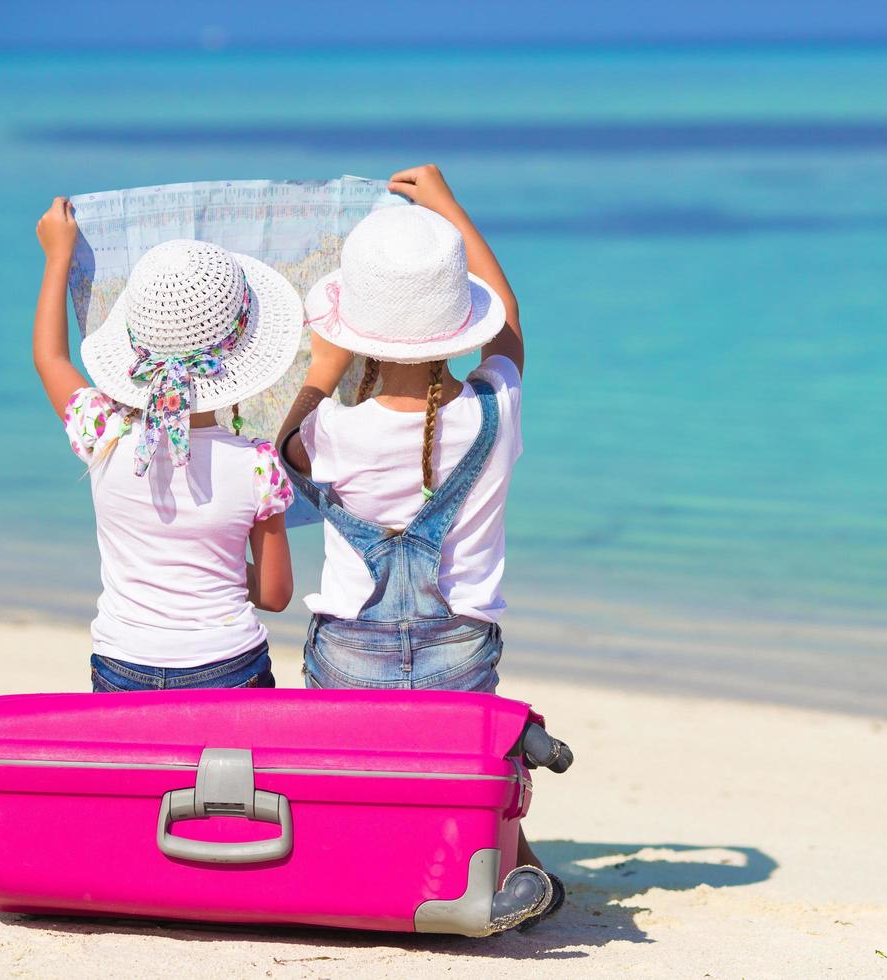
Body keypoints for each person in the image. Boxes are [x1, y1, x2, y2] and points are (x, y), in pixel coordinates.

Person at [276, 165, 562, 928]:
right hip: (459, 653)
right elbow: (510, 330)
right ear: (456, 323)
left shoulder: (325, 431)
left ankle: (367, 868)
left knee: (356, 782)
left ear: (349, 331)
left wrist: (322, 367)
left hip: (349, 655)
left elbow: (284, 441)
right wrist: (448, 208)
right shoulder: (496, 411)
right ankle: (504, 861)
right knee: (459, 770)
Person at [32, 199, 300, 692]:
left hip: (121, 663)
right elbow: (276, 593)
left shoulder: (104, 433)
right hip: (229, 667)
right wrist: (211, 564)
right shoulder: (258, 465)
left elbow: (49, 358)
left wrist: (57, 258)